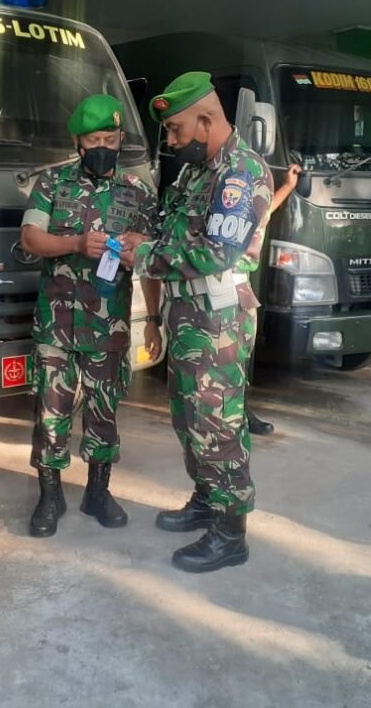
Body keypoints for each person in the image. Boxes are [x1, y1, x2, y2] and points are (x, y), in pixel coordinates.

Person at [122, 71, 297, 573]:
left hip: (219, 317)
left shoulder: (242, 172)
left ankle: (230, 530)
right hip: (185, 314)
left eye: (176, 129)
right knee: (188, 418)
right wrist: (147, 249)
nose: (172, 141)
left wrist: (145, 254)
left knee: (218, 423)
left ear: (206, 120)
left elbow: (217, 252)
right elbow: (170, 233)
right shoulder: (195, 174)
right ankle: (206, 497)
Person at [20, 94, 156, 538]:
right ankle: (50, 493)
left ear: (120, 139)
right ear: (78, 144)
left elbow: (154, 259)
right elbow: (31, 238)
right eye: (93, 141)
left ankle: (98, 491)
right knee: (50, 412)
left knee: (104, 409)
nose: (103, 148)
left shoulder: (138, 193)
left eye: (110, 140)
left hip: (109, 324)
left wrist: (153, 317)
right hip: (56, 324)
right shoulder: (52, 184)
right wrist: (76, 244)